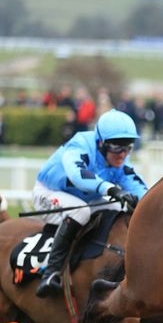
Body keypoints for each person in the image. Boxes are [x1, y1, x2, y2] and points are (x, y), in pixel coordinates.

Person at [32, 109, 147, 298]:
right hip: (49, 192)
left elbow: (137, 187)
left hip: (86, 198)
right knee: (81, 213)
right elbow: (78, 175)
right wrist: (111, 189)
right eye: (117, 147)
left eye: (128, 147)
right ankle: (51, 273)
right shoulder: (80, 145)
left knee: (120, 208)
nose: (122, 154)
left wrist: (147, 204)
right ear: (100, 142)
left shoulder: (119, 160)